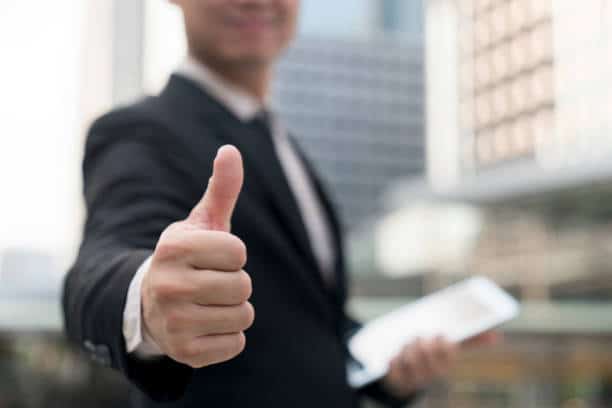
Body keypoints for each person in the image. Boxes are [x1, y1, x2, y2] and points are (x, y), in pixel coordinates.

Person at [63, 0, 494, 406]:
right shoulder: (139, 132)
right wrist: (145, 299)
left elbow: (310, 326)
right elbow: (99, 265)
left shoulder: (285, 147)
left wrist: (390, 372)